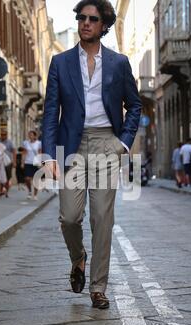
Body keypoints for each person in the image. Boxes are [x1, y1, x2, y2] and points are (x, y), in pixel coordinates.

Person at [42, 0, 142, 309]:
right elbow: (50, 112)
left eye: (93, 18)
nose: (85, 22)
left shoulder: (118, 63)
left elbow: (135, 105)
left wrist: (123, 143)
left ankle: (98, 287)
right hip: (71, 145)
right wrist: (48, 155)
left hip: (105, 144)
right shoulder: (59, 62)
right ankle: (78, 258)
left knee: (102, 218)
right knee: (69, 217)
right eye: (82, 17)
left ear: (103, 25)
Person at [22, 131, 42, 200]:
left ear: (34, 136)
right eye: (29, 135)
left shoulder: (39, 143)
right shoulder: (25, 143)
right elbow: (24, 153)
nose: (30, 136)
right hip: (28, 162)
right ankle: (30, 191)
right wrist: (22, 162)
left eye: (31, 135)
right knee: (27, 178)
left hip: (36, 163)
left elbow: (40, 153)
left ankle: (35, 194)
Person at [0, 130, 17, 198]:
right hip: (0, 162)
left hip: (8, 162)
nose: (3, 136)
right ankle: (1, 190)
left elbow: (14, 152)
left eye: (4, 134)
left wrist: (14, 161)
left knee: (8, 177)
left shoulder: (10, 142)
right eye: (2, 134)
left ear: (6, 135)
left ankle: (6, 191)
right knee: (1, 177)